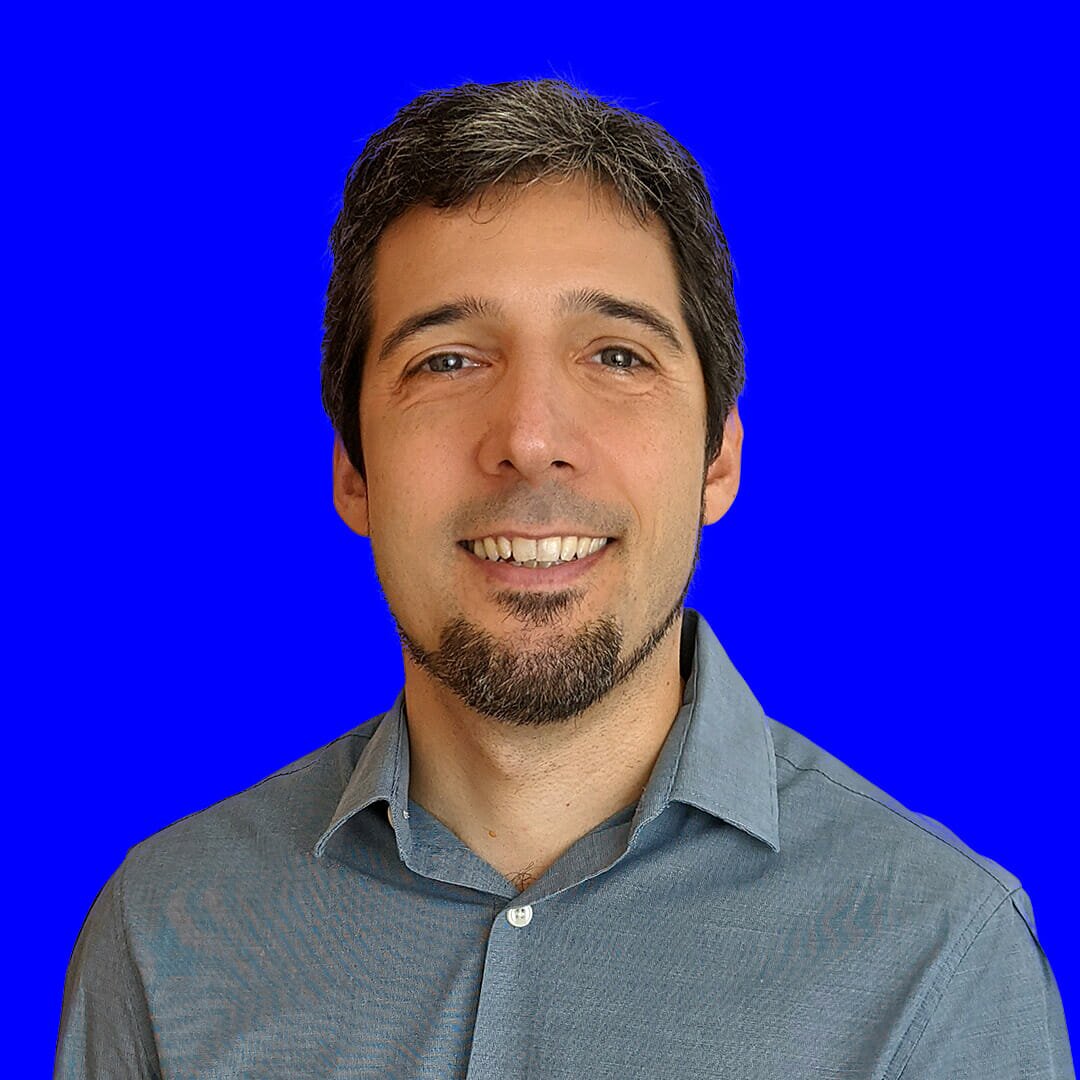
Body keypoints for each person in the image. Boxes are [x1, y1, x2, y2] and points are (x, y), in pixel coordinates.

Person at [56, 78, 1074, 1079]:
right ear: (353, 472)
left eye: (617, 357)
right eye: (447, 361)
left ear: (718, 459)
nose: (531, 438)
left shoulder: (939, 961)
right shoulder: (162, 937)